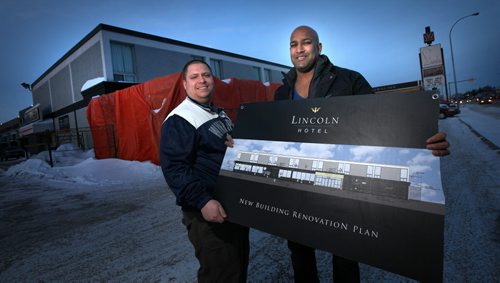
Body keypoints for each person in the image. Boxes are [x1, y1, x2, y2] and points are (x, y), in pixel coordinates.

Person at [274, 25, 450, 283]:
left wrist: (422, 142)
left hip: (342, 183)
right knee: (300, 253)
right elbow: (274, 135)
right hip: (299, 184)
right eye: (293, 44)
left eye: (306, 42)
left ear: (319, 48)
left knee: (345, 252)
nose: (299, 49)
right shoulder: (281, 92)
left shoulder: (349, 80)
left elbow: (382, 123)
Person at [159, 59, 249, 283]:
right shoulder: (180, 119)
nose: (202, 80)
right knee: (220, 274)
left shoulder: (219, 113)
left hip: (231, 208)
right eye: (195, 76)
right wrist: (202, 201)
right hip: (206, 213)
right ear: (185, 84)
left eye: (206, 75)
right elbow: (175, 169)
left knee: (237, 268)